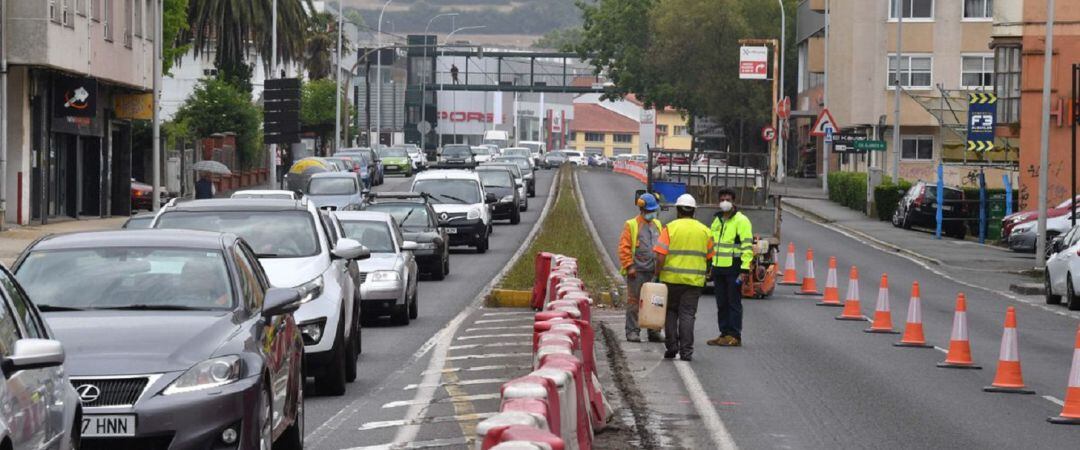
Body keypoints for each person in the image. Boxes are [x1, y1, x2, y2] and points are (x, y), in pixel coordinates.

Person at [653, 194, 714, 361]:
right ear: (694, 211)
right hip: (694, 283)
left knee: (670, 313)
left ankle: (672, 347)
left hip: (670, 280)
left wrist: (657, 274)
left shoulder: (670, 228)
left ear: (678, 210)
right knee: (687, 315)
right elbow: (710, 257)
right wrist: (706, 273)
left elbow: (660, 256)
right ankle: (686, 352)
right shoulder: (705, 231)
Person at [707, 188, 754, 347]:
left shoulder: (741, 220)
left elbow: (747, 246)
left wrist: (745, 269)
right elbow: (712, 244)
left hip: (734, 268)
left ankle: (735, 335)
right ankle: (724, 333)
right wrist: (710, 266)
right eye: (722, 199)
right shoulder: (717, 220)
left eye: (728, 199)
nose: (724, 202)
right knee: (721, 302)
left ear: (734, 202)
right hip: (719, 267)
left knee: (733, 302)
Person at [619, 193, 663, 343]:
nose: (652, 213)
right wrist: (629, 266)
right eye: (650, 210)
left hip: (654, 270)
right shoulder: (631, 225)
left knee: (655, 302)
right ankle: (632, 331)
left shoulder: (657, 224)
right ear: (642, 209)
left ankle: (654, 331)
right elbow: (624, 248)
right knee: (634, 302)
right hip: (637, 271)